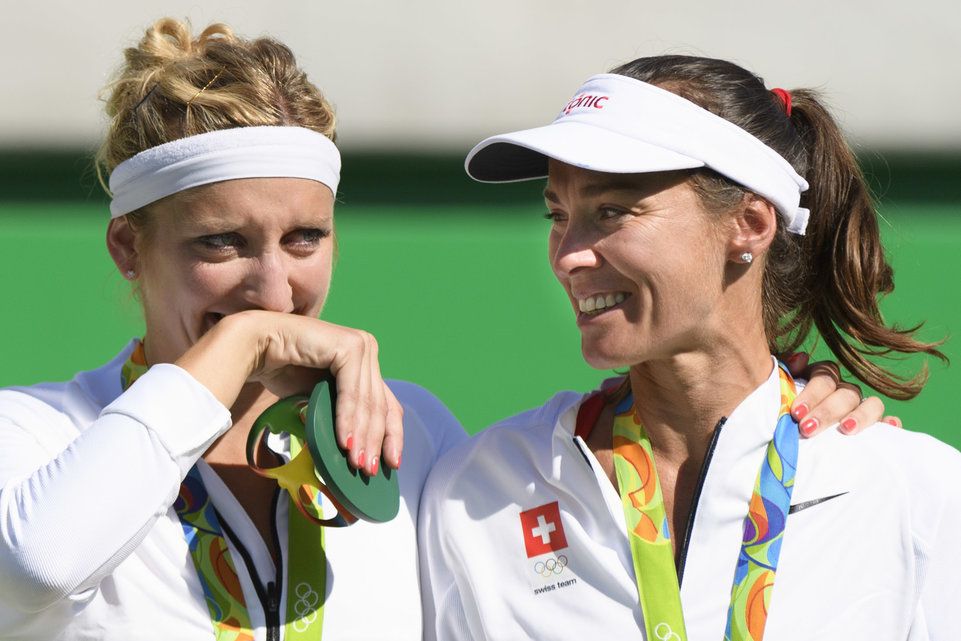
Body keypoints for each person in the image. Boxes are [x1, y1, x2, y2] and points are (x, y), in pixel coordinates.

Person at [0, 23, 888, 641]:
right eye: (220, 243)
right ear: (128, 247)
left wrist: (775, 420)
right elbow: (38, 567)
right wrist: (240, 345)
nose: (273, 288)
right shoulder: (36, 437)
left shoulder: (411, 436)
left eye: (304, 238)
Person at [419, 56, 960, 641]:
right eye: (557, 214)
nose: (568, 255)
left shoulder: (911, 492)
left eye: (611, 211)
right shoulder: (478, 491)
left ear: (749, 223)